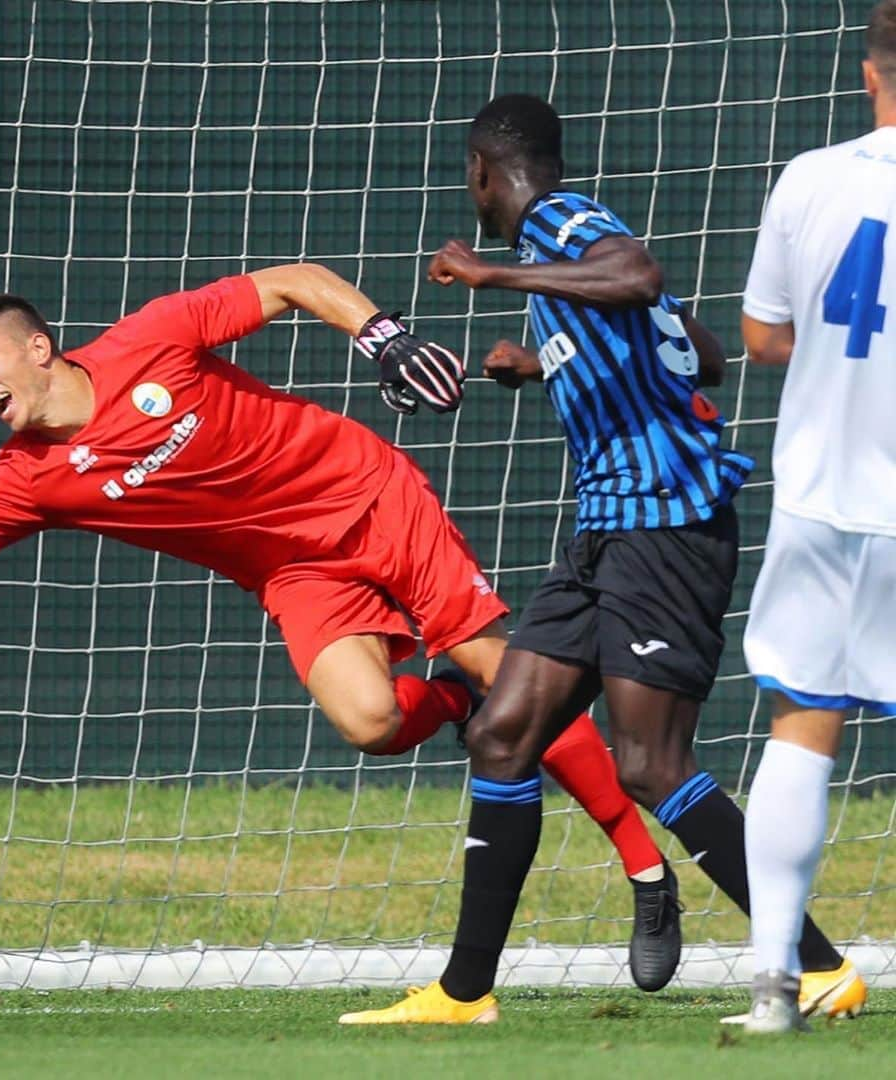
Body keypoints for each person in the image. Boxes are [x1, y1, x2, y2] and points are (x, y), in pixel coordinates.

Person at [0, 262, 676, 985]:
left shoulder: (150, 337)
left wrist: (385, 336)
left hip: (365, 493)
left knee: (501, 666)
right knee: (372, 722)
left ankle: (644, 869)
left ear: (40, 348)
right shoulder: (28, 479)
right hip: (295, 572)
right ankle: (451, 704)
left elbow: (293, 282)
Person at [338, 92, 861, 1027]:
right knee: (502, 735)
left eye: (470, 179)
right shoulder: (565, 254)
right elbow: (697, 354)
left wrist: (493, 276)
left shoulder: (559, 224)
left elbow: (638, 275)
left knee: (649, 764)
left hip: (664, 527)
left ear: (484, 173)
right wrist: (547, 363)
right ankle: (464, 994)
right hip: (605, 533)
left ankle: (816, 966)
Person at [720, 4, 896, 1034]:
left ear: (869, 75)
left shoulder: (808, 177)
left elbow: (763, 335)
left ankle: (775, 987)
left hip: (827, 502)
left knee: (801, 729)